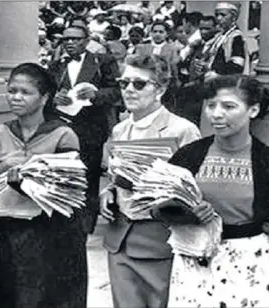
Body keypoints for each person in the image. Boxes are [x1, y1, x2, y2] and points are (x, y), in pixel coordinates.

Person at [166, 74, 269, 307]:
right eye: (211, 106)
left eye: (229, 107)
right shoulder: (188, 156)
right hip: (192, 263)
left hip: (249, 264)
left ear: (253, 110)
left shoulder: (268, 162)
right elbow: (156, 208)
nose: (216, 114)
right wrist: (186, 212)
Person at [100, 54, 201, 308]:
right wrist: (108, 193)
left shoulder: (182, 130)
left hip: (159, 241)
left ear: (161, 89)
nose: (129, 90)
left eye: (139, 84)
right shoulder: (120, 129)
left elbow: (196, 191)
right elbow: (115, 177)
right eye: (124, 84)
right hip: (120, 239)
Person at [0, 63, 88, 308]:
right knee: (11, 294)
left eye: (25, 92)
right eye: (12, 91)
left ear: (44, 98)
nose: (16, 98)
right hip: (11, 230)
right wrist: (4, 167)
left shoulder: (62, 134)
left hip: (52, 232)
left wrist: (31, 176)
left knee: (50, 297)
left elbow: (70, 187)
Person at [47, 22, 122, 234]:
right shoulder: (56, 66)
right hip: (61, 128)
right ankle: (62, 219)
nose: (70, 43)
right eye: (66, 39)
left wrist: (96, 95)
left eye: (76, 39)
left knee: (89, 176)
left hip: (91, 128)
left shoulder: (101, 61)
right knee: (62, 173)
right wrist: (54, 98)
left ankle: (85, 224)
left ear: (86, 41)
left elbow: (117, 91)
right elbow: (45, 94)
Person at [196, 1, 249, 79]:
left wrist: (209, 67)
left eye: (223, 15)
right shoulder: (219, 36)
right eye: (217, 15)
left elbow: (237, 66)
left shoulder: (236, 37)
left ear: (233, 17)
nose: (218, 18)